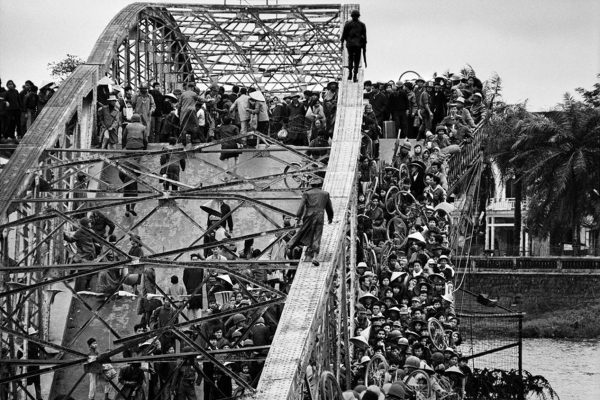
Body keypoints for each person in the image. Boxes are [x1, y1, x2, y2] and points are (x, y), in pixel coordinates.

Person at [286, 177, 334, 264]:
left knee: (302, 231)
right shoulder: (325, 194)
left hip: (308, 215)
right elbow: (329, 207)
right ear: (320, 185)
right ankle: (315, 257)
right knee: (317, 235)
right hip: (320, 216)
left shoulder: (306, 193)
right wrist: (330, 217)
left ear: (311, 185)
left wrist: (298, 217)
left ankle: (290, 245)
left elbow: (301, 206)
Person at [341, 9, 367, 82]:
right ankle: (354, 75)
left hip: (350, 45)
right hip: (358, 45)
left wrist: (342, 44)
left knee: (351, 59)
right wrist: (364, 46)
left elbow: (343, 36)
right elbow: (364, 37)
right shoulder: (362, 25)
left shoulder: (348, 24)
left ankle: (350, 74)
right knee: (356, 60)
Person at [217, 115, 242, 181]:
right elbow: (238, 137)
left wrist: (220, 125)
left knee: (225, 161)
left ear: (222, 121)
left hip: (225, 146)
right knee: (236, 158)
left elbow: (215, 131)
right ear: (231, 121)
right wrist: (241, 143)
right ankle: (235, 175)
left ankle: (225, 177)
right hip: (234, 145)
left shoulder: (221, 128)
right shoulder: (235, 127)